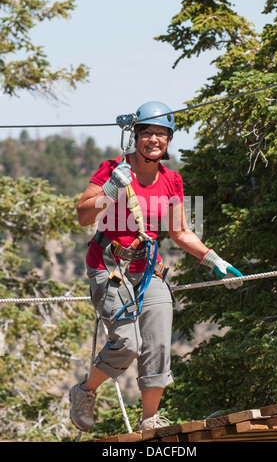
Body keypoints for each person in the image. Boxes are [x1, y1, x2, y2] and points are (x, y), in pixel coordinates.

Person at [69, 101, 243, 433]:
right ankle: (85, 391)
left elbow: (179, 232)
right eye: (147, 132)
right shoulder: (112, 170)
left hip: (149, 269)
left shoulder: (171, 180)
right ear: (136, 136)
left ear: (169, 140)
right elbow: (83, 216)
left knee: (159, 342)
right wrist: (110, 189)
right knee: (128, 342)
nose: (153, 139)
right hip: (110, 267)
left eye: (161, 134)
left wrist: (214, 259)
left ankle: (150, 420)